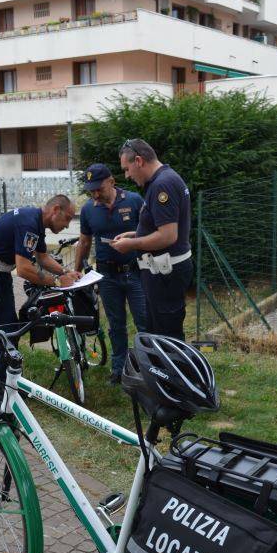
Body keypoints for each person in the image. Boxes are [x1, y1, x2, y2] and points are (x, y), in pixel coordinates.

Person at [0, 194, 80, 380]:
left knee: (9, 329)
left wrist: (64, 272)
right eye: (68, 218)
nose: (68, 225)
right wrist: (59, 282)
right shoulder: (29, 224)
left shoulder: (35, 221)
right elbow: (23, 269)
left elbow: (42, 257)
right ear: (55, 210)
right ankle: (2, 389)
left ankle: (7, 381)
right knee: (7, 333)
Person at [112, 139, 192, 340]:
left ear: (138, 160)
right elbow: (161, 226)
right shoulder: (164, 178)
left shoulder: (162, 184)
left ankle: (173, 372)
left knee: (167, 337)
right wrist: (135, 234)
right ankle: (166, 369)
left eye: (127, 168)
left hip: (165, 273)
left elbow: (168, 235)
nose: (127, 175)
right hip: (164, 272)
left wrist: (132, 244)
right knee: (161, 333)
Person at [74, 163, 147, 385]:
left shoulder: (134, 201)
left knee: (144, 322)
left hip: (135, 272)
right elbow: (85, 242)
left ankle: (147, 369)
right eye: (91, 190)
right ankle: (119, 369)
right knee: (116, 325)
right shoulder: (88, 210)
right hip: (107, 276)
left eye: (99, 188)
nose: (95, 194)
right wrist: (76, 271)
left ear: (111, 182)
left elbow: (149, 231)